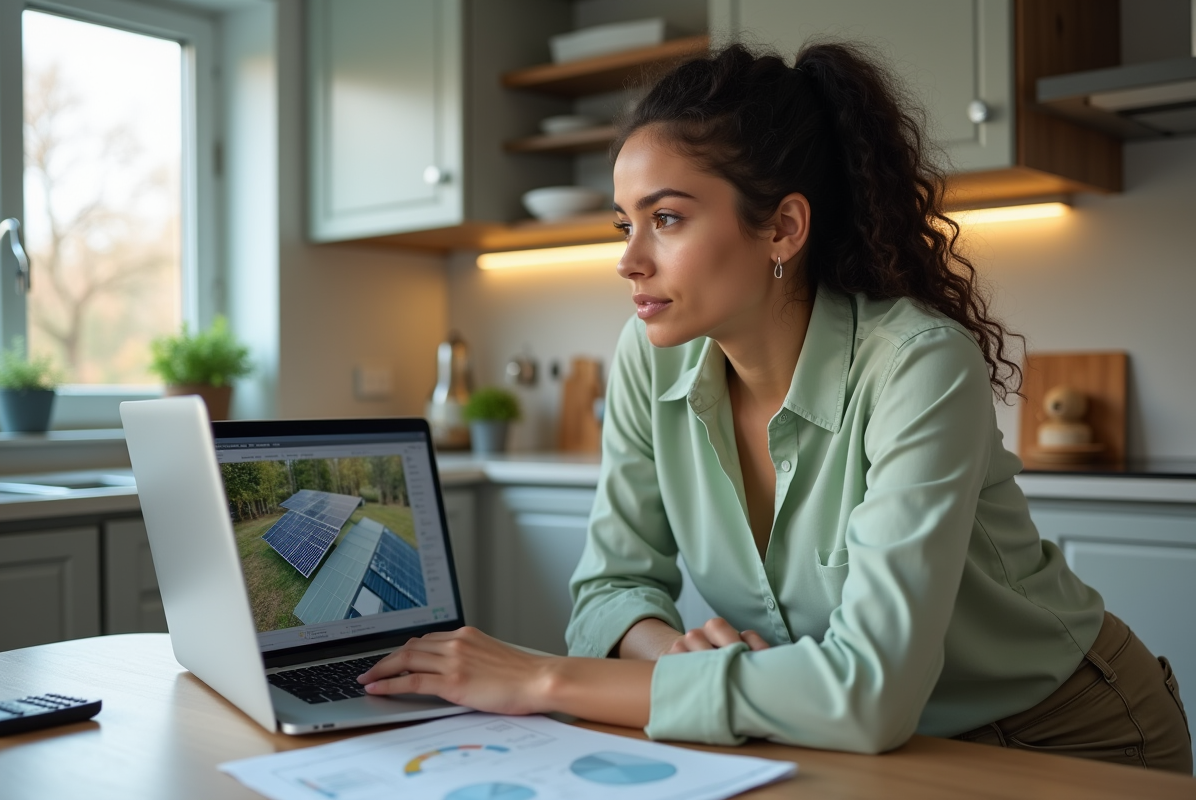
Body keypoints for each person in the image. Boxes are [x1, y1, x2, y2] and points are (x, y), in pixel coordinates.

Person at [359, 42, 1192, 774]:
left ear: (783, 228)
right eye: (624, 225)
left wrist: (540, 678)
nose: (630, 261)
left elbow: (868, 694)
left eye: (668, 219)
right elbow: (612, 586)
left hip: (1070, 736)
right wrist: (670, 655)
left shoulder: (918, 367)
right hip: (852, 741)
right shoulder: (649, 362)